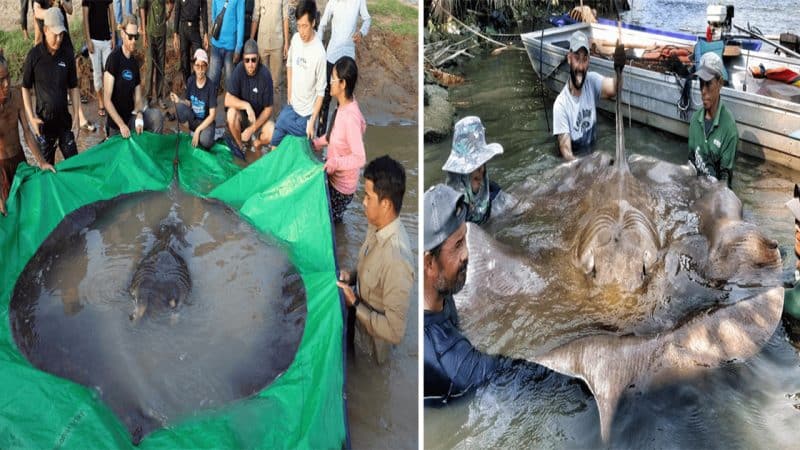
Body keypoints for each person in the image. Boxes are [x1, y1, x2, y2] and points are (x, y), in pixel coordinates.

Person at [423, 184, 540, 403]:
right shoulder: (450, 362)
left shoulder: (439, 290)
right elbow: (512, 377)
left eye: (465, 239)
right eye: (458, 245)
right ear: (429, 262)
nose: (467, 253)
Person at [336, 156, 414, 365]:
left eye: (368, 197)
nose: (363, 202)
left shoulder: (397, 260)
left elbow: (395, 332)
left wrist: (354, 303)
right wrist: (350, 275)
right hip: (358, 321)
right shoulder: (376, 224)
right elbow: (369, 268)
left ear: (386, 204)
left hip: (371, 351)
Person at [21, 8, 80, 166]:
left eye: (62, 34)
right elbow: (25, 87)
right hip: (44, 127)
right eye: (56, 34)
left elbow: (74, 87)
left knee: (75, 165)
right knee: (46, 170)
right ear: (45, 30)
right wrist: (31, 118)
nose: (59, 39)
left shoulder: (67, 55)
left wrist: (76, 115)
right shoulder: (34, 56)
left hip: (64, 123)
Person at [552, 30, 623, 160]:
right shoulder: (560, 105)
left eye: (584, 59)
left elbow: (614, 89)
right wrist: (586, 168)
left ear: (589, 61)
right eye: (577, 58)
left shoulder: (592, 81)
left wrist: (619, 69)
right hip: (575, 162)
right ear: (569, 58)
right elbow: (566, 151)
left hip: (591, 156)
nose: (580, 66)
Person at [311, 56, 365, 223]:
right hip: (333, 178)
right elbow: (335, 135)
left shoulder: (350, 117)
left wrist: (335, 163)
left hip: (342, 188)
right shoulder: (342, 106)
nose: (330, 82)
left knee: (325, 223)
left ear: (343, 84)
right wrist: (318, 143)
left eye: (333, 79)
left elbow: (360, 158)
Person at [0, 54, 55, 216]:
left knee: (29, 207)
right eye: (1, 79)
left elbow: (27, 133)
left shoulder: (16, 96)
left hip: (20, 162)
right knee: (8, 213)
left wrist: (42, 162)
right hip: (1, 167)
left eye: (8, 77)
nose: (6, 84)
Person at [269, 0, 325, 148]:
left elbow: (320, 92)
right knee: (274, 142)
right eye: (299, 26)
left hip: (307, 114)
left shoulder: (319, 53)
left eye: (305, 26)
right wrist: (289, 93)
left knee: (299, 138)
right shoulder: (295, 39)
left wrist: (312, 121)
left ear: (313, 23)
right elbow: (290, 64)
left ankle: (310, 138)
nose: (301, 31)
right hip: (292, 106)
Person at [103, 15, 164, 138]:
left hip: (131, 116)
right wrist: (121, 125)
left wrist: (140, 114)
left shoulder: (134, 63)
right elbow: (106, 101)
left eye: (136, 37)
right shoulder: (113, 59)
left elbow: (137, 98)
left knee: (157, 116)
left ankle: (151, 150)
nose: (133, 41)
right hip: (116, 124)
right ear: (123, 34)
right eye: (130, 37)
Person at [316, 0, 370, 136]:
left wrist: (361, 33)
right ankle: (320, 136)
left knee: (345, 99)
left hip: (348, 57)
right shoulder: (333, 2)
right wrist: (319, 48)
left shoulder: (359, 2)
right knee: (326, 97)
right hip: (332, 56)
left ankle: (339, 136)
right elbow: (322, 24)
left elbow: (367, 19)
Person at [688, 51, 738, 188]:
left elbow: (724, 180)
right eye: (701, 83)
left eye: (708, 84)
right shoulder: (694, 121)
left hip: (717, 197)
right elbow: (691, 164)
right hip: (698, 189)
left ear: (720, 83)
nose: (703, 91)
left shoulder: (729, 129)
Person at [443, 116, 506, 225]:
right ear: (462, 176)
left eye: (483, 165)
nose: (481, 171)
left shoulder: (492, 190)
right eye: (475, 169)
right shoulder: (453, 205)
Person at [223, 39, 274, 158]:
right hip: (244, 116)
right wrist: (246, 106)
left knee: (272, 131)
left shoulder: (265, 75)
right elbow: (227, 100)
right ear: (243, 59)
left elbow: (269, 109)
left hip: (259, 119)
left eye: (253, 60)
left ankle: (257, 143)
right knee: (231, 113)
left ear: (258, 59)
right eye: (247, 60)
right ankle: (240, 145)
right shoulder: (239, 70)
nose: (250, 64)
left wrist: (252, 129)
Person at [170, 49, 217, 150]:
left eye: (203, 66)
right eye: (197, 66)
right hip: (194, 118)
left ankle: (198, 133)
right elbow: (189, 103)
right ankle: (193, 132)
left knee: (206, 141)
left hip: (206, 122)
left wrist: (199, 130)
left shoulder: (211, 86)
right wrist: (179, 101)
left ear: (207, 67)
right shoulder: (191, 81)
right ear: (194, 67)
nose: (200, 70)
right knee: (179, 108)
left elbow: (212, 115)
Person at [250, 0, 288, 116]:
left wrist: (286, 42)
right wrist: (252, 40)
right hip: (262, 43)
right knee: (261, 81)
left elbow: (285, 17)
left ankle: (277, 117)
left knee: (276, 84)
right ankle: (262, 116)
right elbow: (256, 17)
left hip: (277, 43)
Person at [139, 0, 174, 114]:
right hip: (150, 32)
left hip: (162, 34)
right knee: (150, 67)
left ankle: (159, 97)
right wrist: (144, 33)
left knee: (161, 65)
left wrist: (168, 13)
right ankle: (147, 98)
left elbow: (171, 2)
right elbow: (142, 9)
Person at [83, 0, 115, 121]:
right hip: (94, 41)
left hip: (107, 40)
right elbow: (85, 18)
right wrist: (88, 40)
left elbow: (111, 13)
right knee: (97, 74)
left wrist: (113, 37)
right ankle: (101, 102)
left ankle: (109, 101)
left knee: (109, 73)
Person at [208, 0, 246, 87]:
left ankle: (229, 100)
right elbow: (214, 15)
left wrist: (238, 47)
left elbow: (240, 21)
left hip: (230, 48)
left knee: (230, 84)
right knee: (212, 82)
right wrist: (215, 31)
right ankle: (211, 100)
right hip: (216, 45)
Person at [172, 0, 209, 82]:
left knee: (199, 57)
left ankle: (197, 83)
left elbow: (204, 13)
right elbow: (177, 12)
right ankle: (187, 85)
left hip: (195, 29)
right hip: (183, 29)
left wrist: (206, 33)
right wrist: (175, 34)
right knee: (184, 59)